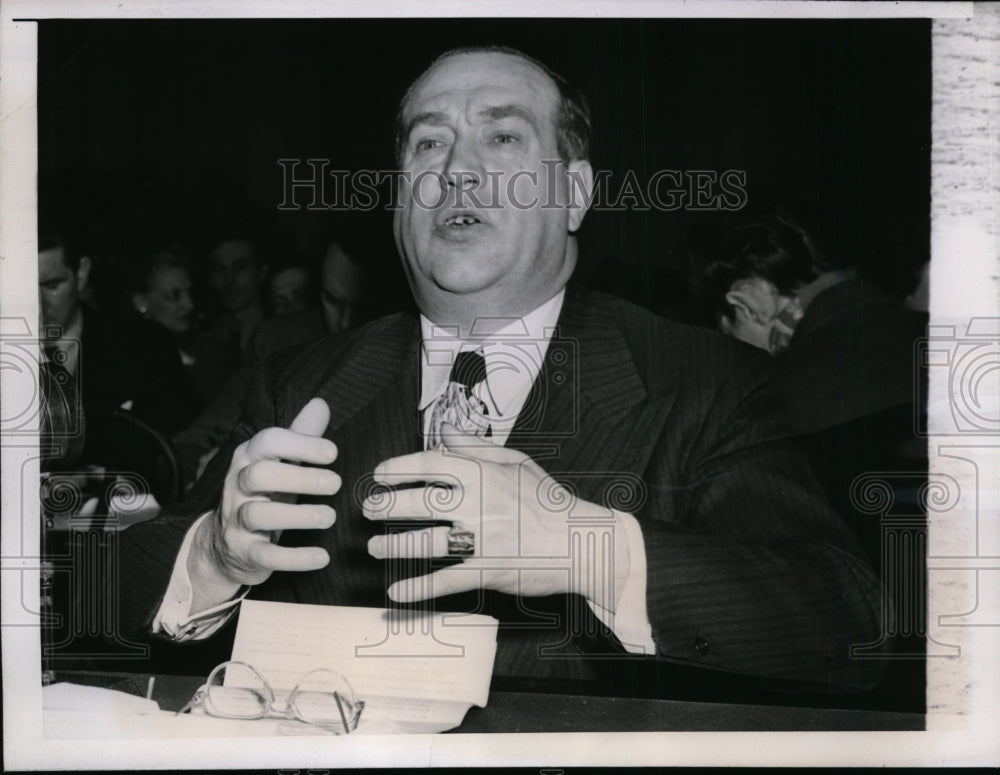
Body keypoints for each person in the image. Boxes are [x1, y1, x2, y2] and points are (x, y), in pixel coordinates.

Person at [119, 47, 886, 698]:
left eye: (503, 137)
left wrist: (586, 546)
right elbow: (103, 591)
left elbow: (851, 622)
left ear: (575, 193)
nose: (458, 170)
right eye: (429, 143)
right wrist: (213, 555)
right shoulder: (300, 384)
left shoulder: (705, 380)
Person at [171, 238, 369, 487]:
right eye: (333, 300)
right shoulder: (277, 340)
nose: (345, 321)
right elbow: (209, 428)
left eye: (361, 306)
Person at [130, 246, 237, 407]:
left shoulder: (211, 349)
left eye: (189, 292)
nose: (189, 304)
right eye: (174, 295)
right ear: (141, 302)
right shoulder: (129, 357)